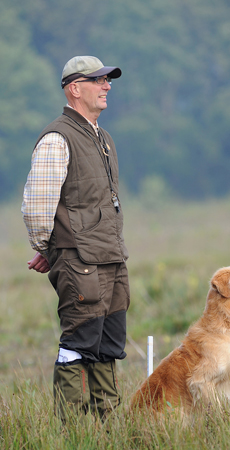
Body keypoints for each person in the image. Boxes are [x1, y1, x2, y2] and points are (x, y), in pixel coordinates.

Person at [21, 56, 130, 421]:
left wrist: (52, 249)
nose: (107, 86)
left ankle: (108, 431)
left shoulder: (104, 137)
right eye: (98, 80)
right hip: (81, 263)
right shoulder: (57, 137)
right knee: (79, 344)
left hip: (111, 259)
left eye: (107, 80)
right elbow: (38, 207)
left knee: (108, 345)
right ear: (75, 88)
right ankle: (73, 435)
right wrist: (49, 248)